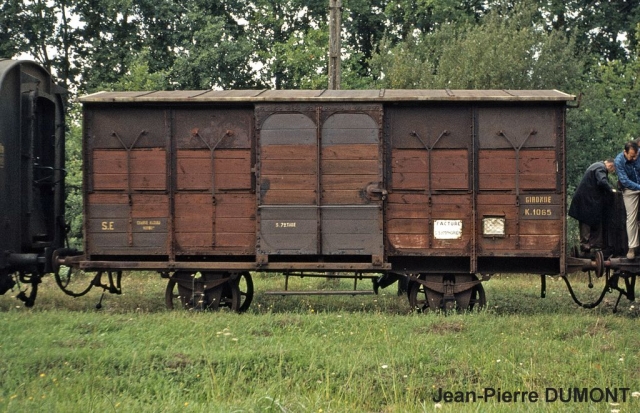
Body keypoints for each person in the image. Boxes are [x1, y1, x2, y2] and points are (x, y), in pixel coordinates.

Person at [569, 159, 616, 255]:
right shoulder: (601, 168)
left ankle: (591, 245)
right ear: (611, 165)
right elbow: (602, 182)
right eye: (613, 170)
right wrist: (611, 190)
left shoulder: (596, 165)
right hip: (586, 200)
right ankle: (587, 245)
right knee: (586, 221)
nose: (612, 172)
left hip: (586, 200)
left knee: (590, 220)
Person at [614, 141, 640, 259]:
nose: (634, 158)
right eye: (631, 156)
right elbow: (624, 181)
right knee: (631, 218)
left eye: (636, 155)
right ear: (625, 152)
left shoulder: (638, 154)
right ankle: (632, 248)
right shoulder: (618, 161)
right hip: (630, 189)